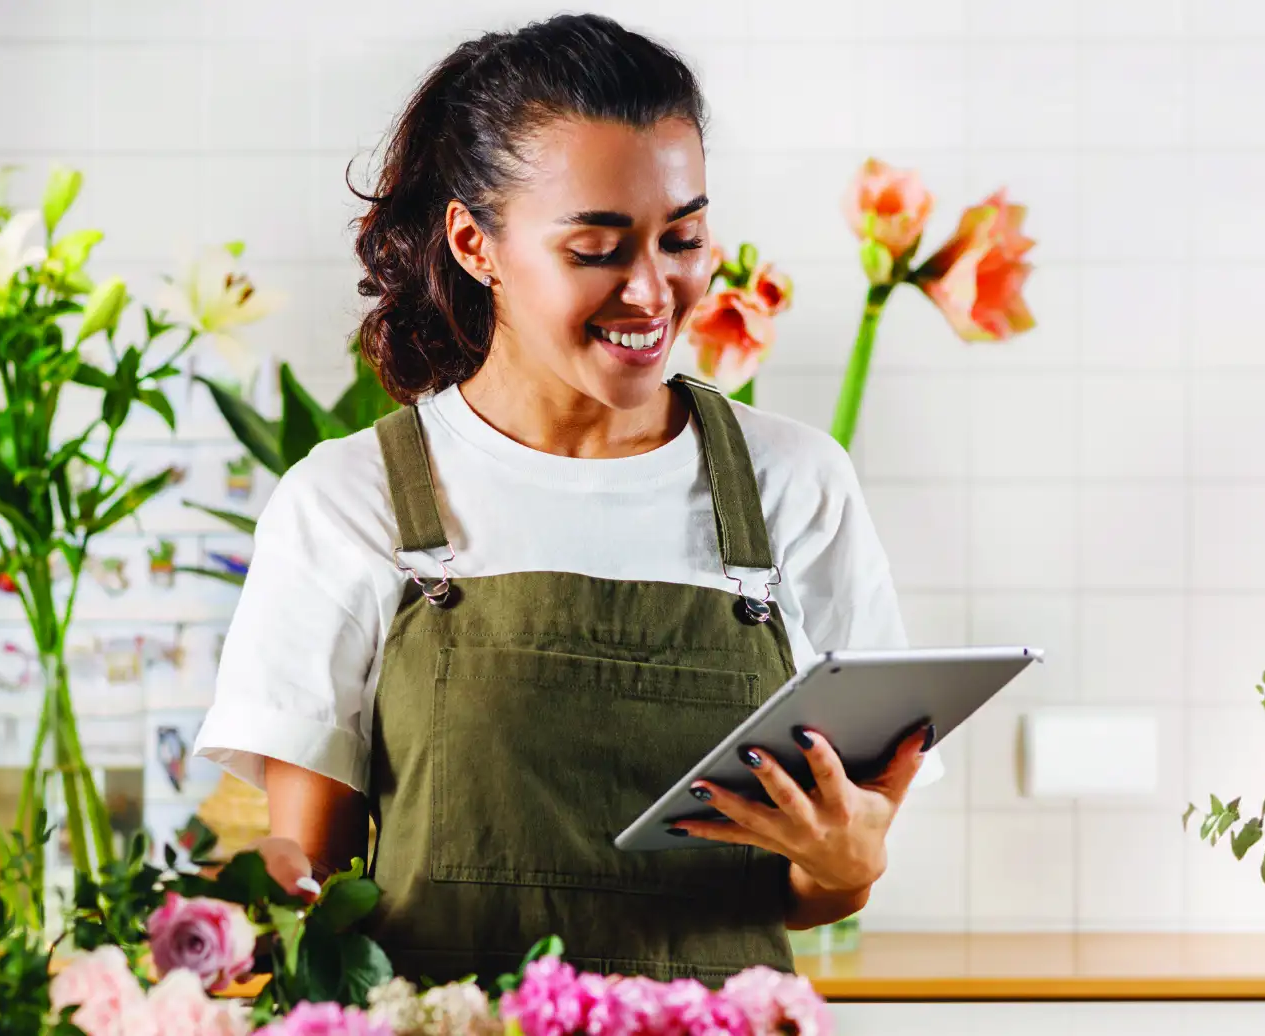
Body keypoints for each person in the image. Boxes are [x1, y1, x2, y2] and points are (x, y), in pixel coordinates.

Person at [193, 12, 939, 984]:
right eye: (595, 247)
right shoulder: (351, 500)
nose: (652, 292)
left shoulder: (794, 485)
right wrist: (239, 906)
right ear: (475, 242)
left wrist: (849, 869)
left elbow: (821, 876)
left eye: (682, 237)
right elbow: (312, 882)